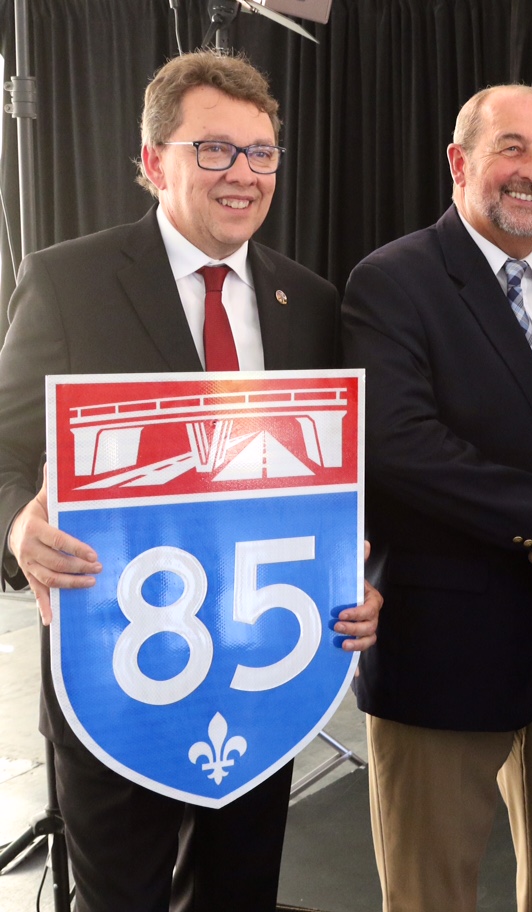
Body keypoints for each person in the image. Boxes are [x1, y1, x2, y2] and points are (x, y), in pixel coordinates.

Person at [0, 50, 381, 911]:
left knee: (239, 895)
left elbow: (338, 481)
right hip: (114, 684)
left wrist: (361, 578)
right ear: (152, 163)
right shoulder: (69, 282)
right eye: (213, 149)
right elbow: (4, 450)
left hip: (262, 679)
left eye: (260, 152)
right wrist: (16, 530)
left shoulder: (310, 302)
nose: (243, 174)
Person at [341, 84, 532, 912]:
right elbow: (404, 449)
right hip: (442, 645)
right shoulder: (394, 280)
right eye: (513, 149)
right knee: (430, 891)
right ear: (460, 162)